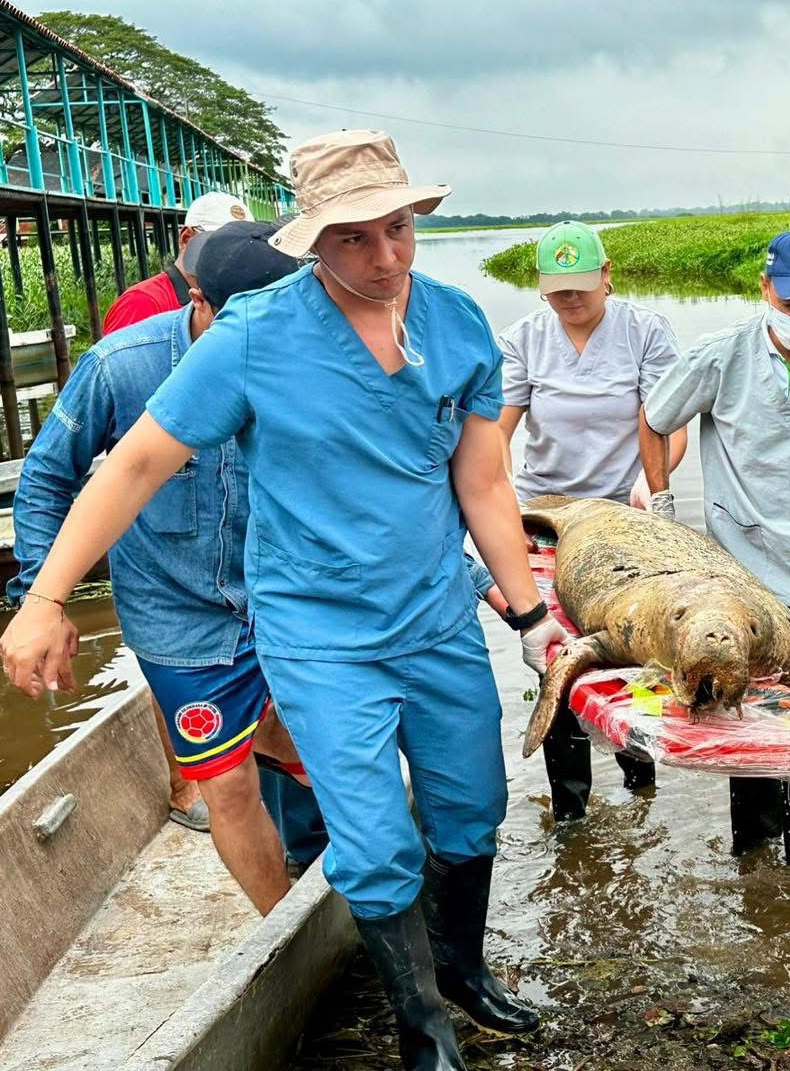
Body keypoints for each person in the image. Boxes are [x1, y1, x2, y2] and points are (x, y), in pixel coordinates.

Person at [1, 130, 568, 1070]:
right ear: (312, 241)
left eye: (398, 229)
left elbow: (483, 484)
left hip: (435, 619)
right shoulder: (255, 336)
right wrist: (45, 596)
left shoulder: (460, 322)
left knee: (473, 811)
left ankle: (464, 968)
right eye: (354, 238)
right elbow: (135, 466)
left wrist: (533, 614)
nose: (385, 258)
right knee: (376, 845)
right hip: (319, 636)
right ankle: (423, 1028)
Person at [7, 220, 325, 909]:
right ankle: (281, 924)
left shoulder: (314, 358)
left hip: (284, 594)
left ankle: (304, 799)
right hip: (176, 612)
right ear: (198, 298)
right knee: (227, 785)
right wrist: (41, 598)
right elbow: (46, 479)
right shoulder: (123, 367)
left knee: (329, 748)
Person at [641, 231, 790, 870]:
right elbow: (655, 419)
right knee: (746, 742)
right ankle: (752, 865)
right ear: (765, 287)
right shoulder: (719, 358)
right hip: (742, 587)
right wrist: (663, 508)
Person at [497, 220, 688, 820]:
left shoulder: (645, 332)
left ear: (607, 275)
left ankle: (640, 785)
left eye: (581, 287)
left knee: (631, 645)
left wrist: (651, 484)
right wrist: (500, 497)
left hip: (620, 516)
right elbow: (496, 433)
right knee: (556, 651)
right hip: (547, 516)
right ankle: (570, 807)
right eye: (558, 291)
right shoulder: (523, 339)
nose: (571, 300)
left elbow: (669, 424)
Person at [91, 189, 257, 832]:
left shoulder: (245, 301)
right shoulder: (143, 310)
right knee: (173, 659)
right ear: (187, 240)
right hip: (166, 513)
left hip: (232, 514)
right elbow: (129, 426)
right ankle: (185, 785)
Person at [102, 192, 254, 336]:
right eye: (222, 243)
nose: (234, 255)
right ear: (186, 238)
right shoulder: (142, 303)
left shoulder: (225, 300)